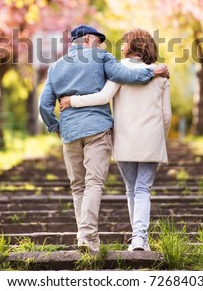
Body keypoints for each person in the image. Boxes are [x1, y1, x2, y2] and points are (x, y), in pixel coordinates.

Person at [39, 25, 170, 253]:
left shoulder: (55, 67)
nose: (101, 45)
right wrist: (154, 72)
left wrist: (56, 127)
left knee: (78, 186)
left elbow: (44, 105)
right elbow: (128, 78)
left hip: (70, 132)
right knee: (96, 184)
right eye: (99, 41)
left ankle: (85, 237)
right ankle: (92, 238)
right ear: (89, 38)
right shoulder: (102, 57)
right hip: (98, 130)